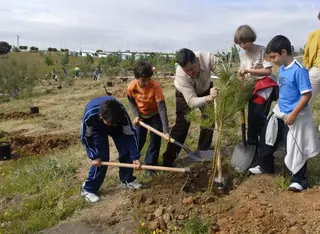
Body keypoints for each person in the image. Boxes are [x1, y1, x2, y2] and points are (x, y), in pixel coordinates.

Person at [249, 35, 320, 192]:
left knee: (295, 145)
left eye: (273, 57)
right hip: (280, 111)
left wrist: (293, 114)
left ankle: (299, 180)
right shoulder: (282, 69)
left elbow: (306, 95)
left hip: (296, 116)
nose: (272, 61)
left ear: (283, 52)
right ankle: (265, 166)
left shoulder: (299, 70)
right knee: (268, 137)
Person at [162, 48, 219, 167]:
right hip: (185, 95)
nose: (190, 73)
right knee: (182, 124)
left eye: (191, 69)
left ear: (197, 60)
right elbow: (192, 102)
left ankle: (202, 151)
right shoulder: (181, 74)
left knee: (209, 120)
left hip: (205, 88)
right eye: (186, 71)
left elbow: (225, 73)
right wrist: (210, 98)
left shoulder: (208, 58)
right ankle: (168, 160)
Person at [80, 96, 142, 203]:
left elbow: (130, 134)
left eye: (113, 122)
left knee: (126, 150)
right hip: (96, 129)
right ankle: (88, 189)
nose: (111, 125)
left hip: (118, 128)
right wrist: (94, 156)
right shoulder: (90, 115)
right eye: (109, 123)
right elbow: (86, 137)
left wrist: (135, 156)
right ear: (101, 116)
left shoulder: (121, 114)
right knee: (101, 159)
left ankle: (127, 180)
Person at [234, 25, 278, 150]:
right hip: (252, 87)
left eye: (244, 42)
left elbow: (268, 71)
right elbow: (245, 75)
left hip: (265, 85)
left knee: (259, 114)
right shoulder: (242, 56)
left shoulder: (261, 50)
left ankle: (267, 143)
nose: (242, 46)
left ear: (251, 38)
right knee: (252, 116)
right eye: (239, 43)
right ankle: (253, 145)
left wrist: (249, 70)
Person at [127, 61, 169, 176]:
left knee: (155, 141)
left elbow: (162, 109)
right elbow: (131, 102)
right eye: (143, 80)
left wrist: (166, 131)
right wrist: (136, 115)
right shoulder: (131, 87)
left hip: (155, 115)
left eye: (149, 79)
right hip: (140, 117)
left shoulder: (155, 87)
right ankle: (132, 163)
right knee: (138, 140)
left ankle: (150, 167)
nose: (146, 83)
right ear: (137, 78)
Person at [303, 12, 320, 128]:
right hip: (315, 70)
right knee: (305, 101)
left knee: (305, 101)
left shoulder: (313, 34)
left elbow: (306, 54)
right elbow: (307, 54)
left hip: (314, 70)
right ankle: (304, 128)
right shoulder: (313, 34)